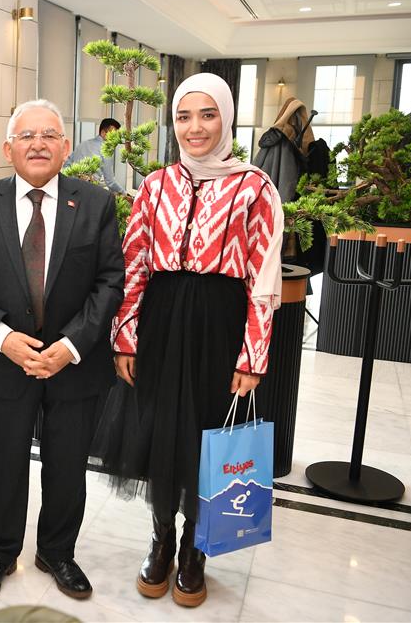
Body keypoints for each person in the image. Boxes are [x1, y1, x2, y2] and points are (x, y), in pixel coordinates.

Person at [99, 72, 283, 607]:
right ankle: (161, 539)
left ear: (227, 119)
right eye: (183, 116)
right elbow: (134, 264)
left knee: (207, 436)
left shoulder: (255, 187)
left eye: (207, 115)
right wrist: (124, 336)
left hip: (220, 326)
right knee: (161, 432)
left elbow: (264, 279)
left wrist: (252, 355)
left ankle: (194, 549)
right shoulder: (155, 185)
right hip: (160, 322)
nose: (195, 127)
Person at [0, 99, 125, 602]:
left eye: (49, 135)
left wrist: (71, 345)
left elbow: (110, 282)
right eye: (26, 136)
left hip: (74, 365)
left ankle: (57, 552)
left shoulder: (95, 204)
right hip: (3, 362)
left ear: (66, 148)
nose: (38, 144)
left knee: (67, 467)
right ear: (8, 149)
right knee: (4, 464)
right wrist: (3, 337)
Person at [67, 118, 121, 191]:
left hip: (71, 188)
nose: (116, 139)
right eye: (114, 135)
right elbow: (110, 182)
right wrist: (125, 194)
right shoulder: (106, 151)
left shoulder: (82, 144)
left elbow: (66, 166)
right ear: (103, 133)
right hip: (89, 190)